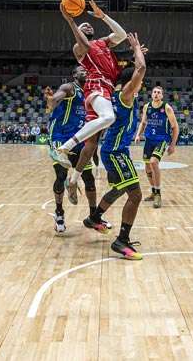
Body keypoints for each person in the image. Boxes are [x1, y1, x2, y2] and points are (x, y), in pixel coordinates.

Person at [52, 0, 130, 198]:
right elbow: (84, 44)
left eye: (88, 24)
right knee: (109, 117)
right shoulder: (78, 48)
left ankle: (73, 181)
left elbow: (122, 34)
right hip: (96, 85)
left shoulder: (103, 42)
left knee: (92, 143)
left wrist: (102, 16)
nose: (86, 24)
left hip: (107, 89)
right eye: (82, 25)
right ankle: (66, 147)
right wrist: (70, 21)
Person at [83, 33, 146, 260]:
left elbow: (132, 71)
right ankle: (121, 241)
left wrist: (134, 57)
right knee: (136, 195)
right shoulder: (126, 96)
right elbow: (141, 70)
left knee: (120, 187)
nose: (141, 85)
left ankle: (95, 217)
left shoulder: (116, 95)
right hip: (116, 152)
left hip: (114, 150)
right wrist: (136, 49)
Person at [43, 67, 107, 233]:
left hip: (79, 139)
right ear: (73, 75)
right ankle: (59, 213)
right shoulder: (70, 88)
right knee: (61, 175)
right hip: (60, 137)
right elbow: (55, 99)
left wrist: (93, 149)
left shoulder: (92, 94)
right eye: (80, 70)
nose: (84, 71)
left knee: (89, 179)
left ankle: (94, 217)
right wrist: (50, 99)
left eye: (86, 70)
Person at [134, 86, 179, 209]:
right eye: (154, 92)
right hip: (149, 140)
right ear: (151, 94)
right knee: (147, 167)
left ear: (162, 96)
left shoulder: (167, 108)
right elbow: (143, 123)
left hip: (162, 139)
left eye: (159, 92)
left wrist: (172, 145)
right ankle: (154, 192)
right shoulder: (147, 107)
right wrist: (138, 135)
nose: (156, 94)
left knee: (154, 162)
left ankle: (158, 194)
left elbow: (175, 128)